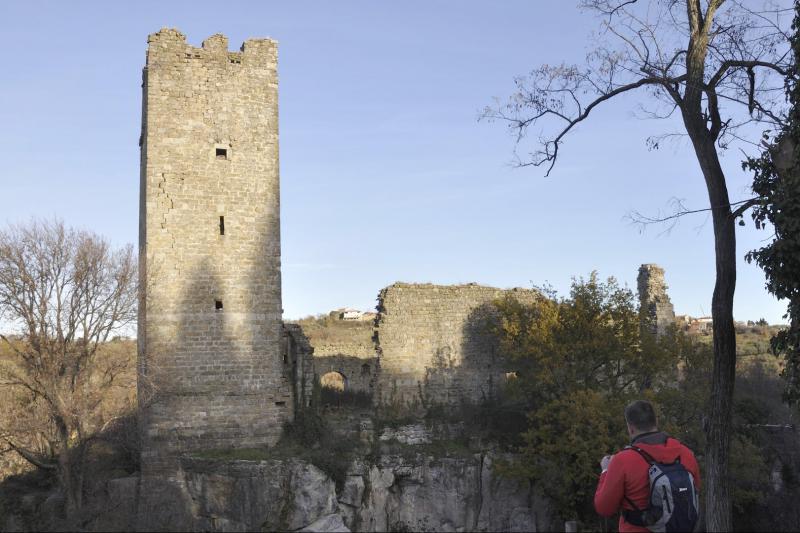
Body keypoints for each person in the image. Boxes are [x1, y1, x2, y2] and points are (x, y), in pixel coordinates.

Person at [594, 400, 701, 532]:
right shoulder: (685, 453)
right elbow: (695, 491)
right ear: (656, 422)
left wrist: (605, 470)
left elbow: (604, 508)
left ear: (630, 428)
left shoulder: (622, 460)